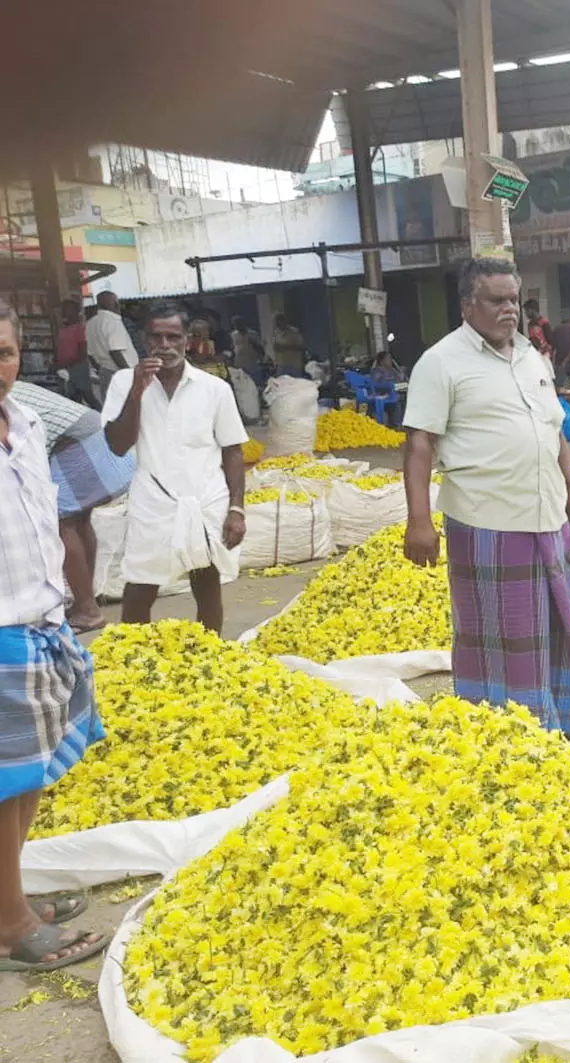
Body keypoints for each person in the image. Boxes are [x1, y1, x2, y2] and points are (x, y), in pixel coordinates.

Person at [401, 257, 570, 743]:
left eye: (513, 298)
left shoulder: (532, 357)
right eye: (497, 300)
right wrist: (418, 520)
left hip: (547, 515)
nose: (509, 308)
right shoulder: (441, 362)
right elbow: (419, 443)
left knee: (558, 628)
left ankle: (562, 722)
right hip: (486, 521)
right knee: (502, 637)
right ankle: (506, 734)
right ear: (468, 304)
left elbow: (552, 429)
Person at [0, 301, 109, 973]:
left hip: (38, 620)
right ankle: (11, 925)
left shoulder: (29, 420)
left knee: (29, 774)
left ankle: (8, 896)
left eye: (4, 351)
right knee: (2, 781)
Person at [101, 302, 248, 633]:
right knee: (140, 585)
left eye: (173, 337)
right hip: (153, 500)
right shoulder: (125, 383)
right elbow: (118, 444)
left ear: (187, 340)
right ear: (144, 340)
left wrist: (237, 508)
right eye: (157, 338)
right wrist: (138, 391)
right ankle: (131, 657)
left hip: (205, 498)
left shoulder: (214, 389)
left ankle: (208, 655)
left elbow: (233, 451)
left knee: (207, 582)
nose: (164, 346)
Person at [9, 381, 136, 631]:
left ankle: (87, 610)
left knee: (60, 522)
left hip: (77, 443)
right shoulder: (13, 383)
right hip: (92, 433)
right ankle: (84, 600)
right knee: (79, 520)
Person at [85, 291, 137, 399]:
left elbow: (89, 354)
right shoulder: (113, 321)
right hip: (119, 373)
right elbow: (115, 351)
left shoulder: (91, 323)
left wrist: (100, 370)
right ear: (115, 304)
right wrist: (128, 374)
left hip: (105, 372)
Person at [55, 299, 95, 407]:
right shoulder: (63, 329)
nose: (64, 313)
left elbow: (82, 352)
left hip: (78, 366)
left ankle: (102, 416)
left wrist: (66, 364)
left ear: (76, 312)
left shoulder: (79, 328)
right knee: (73, 397)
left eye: (67, 310)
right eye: (63, 310)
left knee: (87, 395)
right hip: (66, 367)